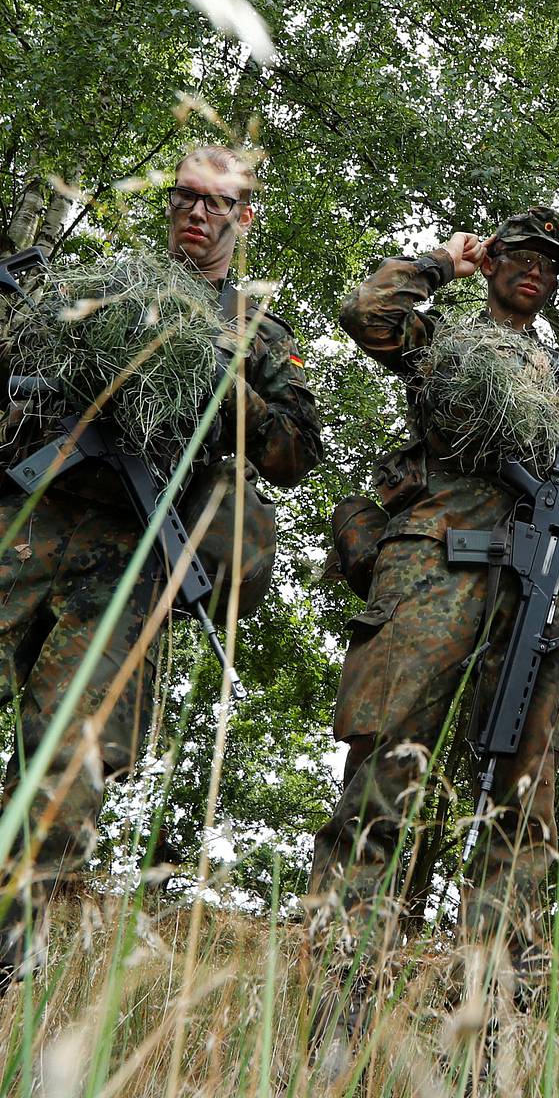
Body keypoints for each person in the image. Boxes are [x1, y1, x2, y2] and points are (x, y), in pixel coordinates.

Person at [309, 208, 559, 1009]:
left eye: (553, 264)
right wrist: (440, 263)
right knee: (384, 772)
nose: (537, 269)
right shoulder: (442, 347)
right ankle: (338, 1001)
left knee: (526, 807)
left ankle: (492, 1024)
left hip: (542, 586)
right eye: (520, 253)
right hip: (433, 568)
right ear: (492, 261)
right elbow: (366, 315)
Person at [0, 146, 323, 981]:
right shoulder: (105, 281)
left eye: (218, 204)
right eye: (184, 197)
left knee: (67, 757)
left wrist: (212, 375)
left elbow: (294, 448)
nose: (197, 213)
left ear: (244, 220)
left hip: (134, 559)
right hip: (34, 515)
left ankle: (10, 936)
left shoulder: (257, 329)